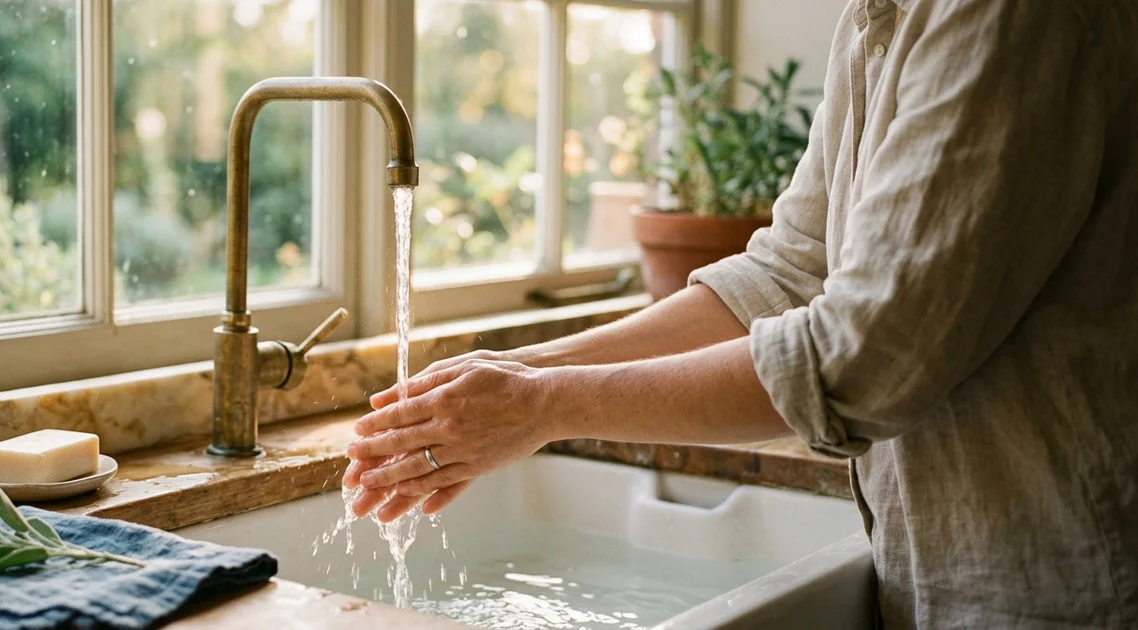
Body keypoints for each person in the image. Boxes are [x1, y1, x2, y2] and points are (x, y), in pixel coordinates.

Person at [343, 0, 1138, 627]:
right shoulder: (879, 18)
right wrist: (526, 370)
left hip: (1065, 581)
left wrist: (542, 406)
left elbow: (862, 359)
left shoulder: (1005, 12)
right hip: (964, 573)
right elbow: (788, 271)